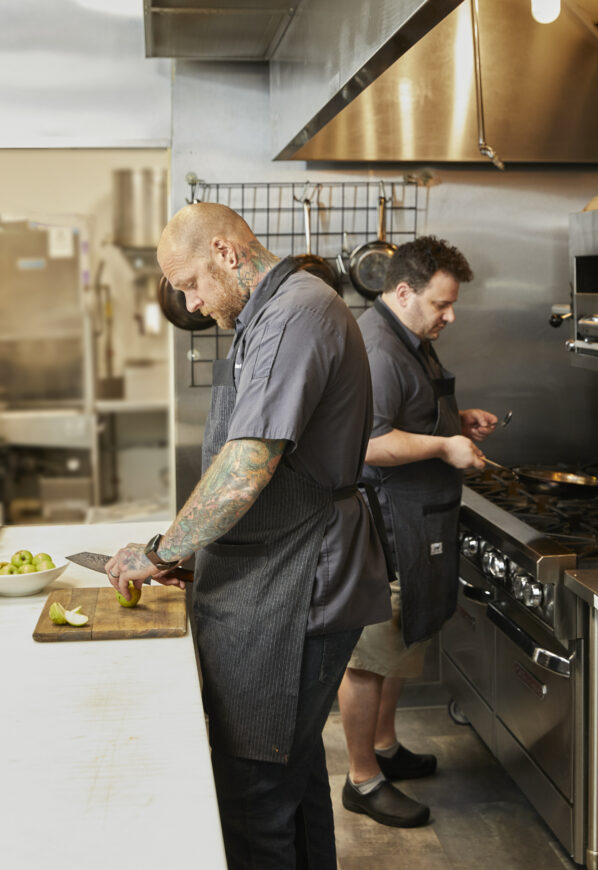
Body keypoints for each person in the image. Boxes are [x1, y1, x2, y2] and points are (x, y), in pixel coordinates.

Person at [105, 202, 392, 869]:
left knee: (255, 789)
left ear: (228, 255)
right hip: (271, 574)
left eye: (192, 283)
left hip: (299, 584)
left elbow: (247, 467)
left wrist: (162, 551)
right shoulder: (267, 314)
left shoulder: (296, 312)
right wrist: (197, 553)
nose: (192, 301)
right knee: (286, 772)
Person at [338, 235, 497, 828]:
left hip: (416, 518)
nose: (450, 316)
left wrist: (460, 420)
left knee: (399, 641)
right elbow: (371, 442)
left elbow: (413, 410)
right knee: (369, 657)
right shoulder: (378, 348)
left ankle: (384, 748)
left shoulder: (409, 336)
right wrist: (446, 445)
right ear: (403, 292)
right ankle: (362, 778)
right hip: (384, 524)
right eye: (441, 305)